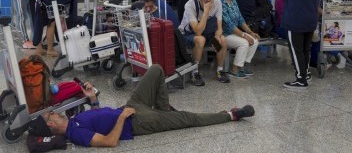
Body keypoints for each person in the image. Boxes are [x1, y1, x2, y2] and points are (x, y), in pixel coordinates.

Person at [42, 64, 254, 148]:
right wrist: (123, 117)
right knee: (189, 119)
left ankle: (164, 110)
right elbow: (109, 141)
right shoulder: (75, 134)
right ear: (51, 123)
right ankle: (231, 114)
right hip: (137, 122)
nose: (53, 112)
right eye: (50, 115)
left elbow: (98, 118)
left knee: (156, 69)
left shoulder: (74, 121)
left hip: (131, 106)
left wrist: (93, 100)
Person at [272, 0, 319, 90]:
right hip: (311, 18)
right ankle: (306, 74)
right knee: (306, 48)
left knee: (296, 49)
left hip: (295, 19)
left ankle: (300, 79)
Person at [178, 0, 230, 86]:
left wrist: (217, 35)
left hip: (209, 33)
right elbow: (197, 31)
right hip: (188, 35)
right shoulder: (190, 5)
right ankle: (194, 72)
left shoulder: (217, 3)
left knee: (223, 40)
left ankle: (219, 71)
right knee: (200, 39)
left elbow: (219, 27)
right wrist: (206, 11)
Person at [216, 0, 260, 78]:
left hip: (234, 33)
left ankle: (242, 65)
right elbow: (229, 24)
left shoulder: (234, 1)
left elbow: (240, 19)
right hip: (224, 34)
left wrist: (250, 32)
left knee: (255, 40)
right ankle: (234, 69)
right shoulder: (220, 3)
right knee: (244, 43)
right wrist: (244, 35)